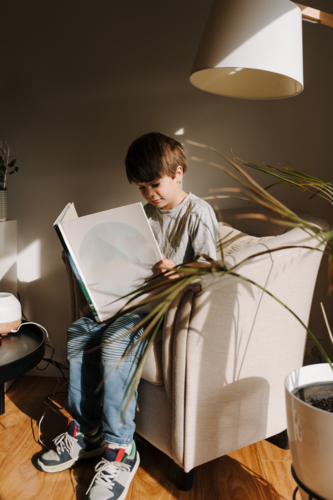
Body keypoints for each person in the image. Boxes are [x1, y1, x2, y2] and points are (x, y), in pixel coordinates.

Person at [37, 132, 218, 500]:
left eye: (155, 184)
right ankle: (86, 430)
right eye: (141, 188)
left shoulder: (198, 212)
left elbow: (214, 268)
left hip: (157, 310)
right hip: (126, 300)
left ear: (178, 173)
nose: (150, 194)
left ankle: (121, 449)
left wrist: (179, 270)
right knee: (79, 331)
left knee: (116, 338)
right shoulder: (145, 216)